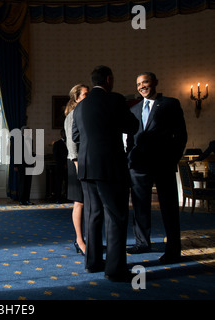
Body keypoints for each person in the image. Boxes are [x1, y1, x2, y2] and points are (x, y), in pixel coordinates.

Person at [72, 66, 138, 281]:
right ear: (109, 79)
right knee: (116, 216)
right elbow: (132, 126)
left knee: (93, 215)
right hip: (110, 166)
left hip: (86, 167)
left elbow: (74, 136)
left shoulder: (80, 107)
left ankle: (92, 263)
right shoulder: (115, 99)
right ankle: (115, 269)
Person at [126, 72, 187, 264]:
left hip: (163, 164)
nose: (141, 86)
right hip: (138, 166)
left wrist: (173, 159)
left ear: (155, 83)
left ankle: (173, 249)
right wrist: (130, 160)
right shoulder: (134, 109)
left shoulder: (170, 104)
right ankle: (142, 242)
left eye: (145, 82)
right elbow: (129, 139)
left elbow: (181, 135)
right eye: (138, 84)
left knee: (169, 207)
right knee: (139, 206)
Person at [64, 84, 89, 254]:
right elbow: (71, 143)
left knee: (91, 203)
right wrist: (77, 164)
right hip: (76, 163)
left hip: (88, 161)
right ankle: (79, 241)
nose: (89, 97)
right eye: (85, 94)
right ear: (77, 98)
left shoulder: (88, 113)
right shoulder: (72, 115)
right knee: (79, 202)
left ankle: (89, 238)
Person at [15, 126, 34, 205]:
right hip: (21, 165)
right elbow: (16, 153)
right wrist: (15, 165)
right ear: (23, 132)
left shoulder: (31, 140)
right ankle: (21, 200)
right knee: (22, 183)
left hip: (29, 165)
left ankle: (27, 200)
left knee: (28, 183)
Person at [52, 129, 68, 203]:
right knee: (58, 183)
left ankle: (68, 197)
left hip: (69, 167)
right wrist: (63, 164)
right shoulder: (57, 143)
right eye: (64, 134)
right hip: (60, 167)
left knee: (68, 183)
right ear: (61, 134)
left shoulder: (70, 143)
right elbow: (55, 156)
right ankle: (57, 198)